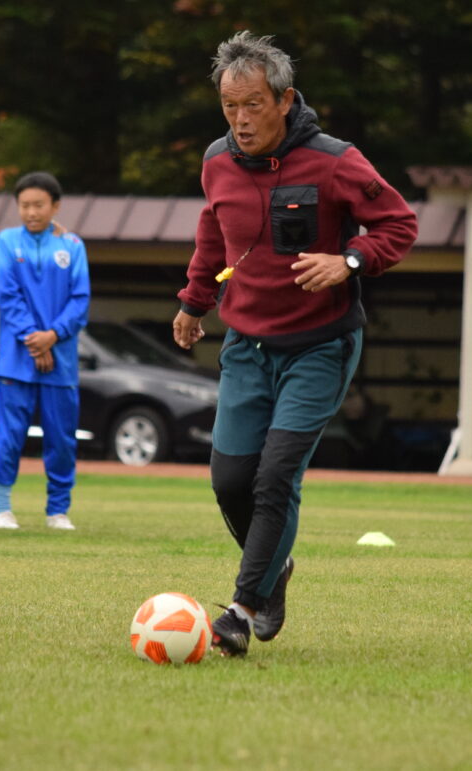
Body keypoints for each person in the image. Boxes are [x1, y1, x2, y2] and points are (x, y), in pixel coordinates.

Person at [173, 32, 418, 656]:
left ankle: (241, 608)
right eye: (230, 106)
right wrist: (194, 303)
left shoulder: (335, 161)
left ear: (285, 100)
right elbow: (212, 234)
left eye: (253, 105)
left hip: (320, 346)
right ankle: (274, 569)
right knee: (231, 480)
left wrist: (349, 260)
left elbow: (398, 223)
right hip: (246, 346)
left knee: (275, 475)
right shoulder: (216, 161)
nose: (240, 120)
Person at [0, 171, 90, 531]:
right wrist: (35, 339)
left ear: (55, 206)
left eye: (39, 205)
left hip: (61, 362)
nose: (31, 212)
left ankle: (58, 511)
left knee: (61, 439)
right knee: (8, 435)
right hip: (16, 361)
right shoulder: (6, 241)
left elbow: (80, 300)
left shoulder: (72, 246)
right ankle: (1, 508)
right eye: (25, 205)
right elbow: (6, 295)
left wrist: (53, 335)